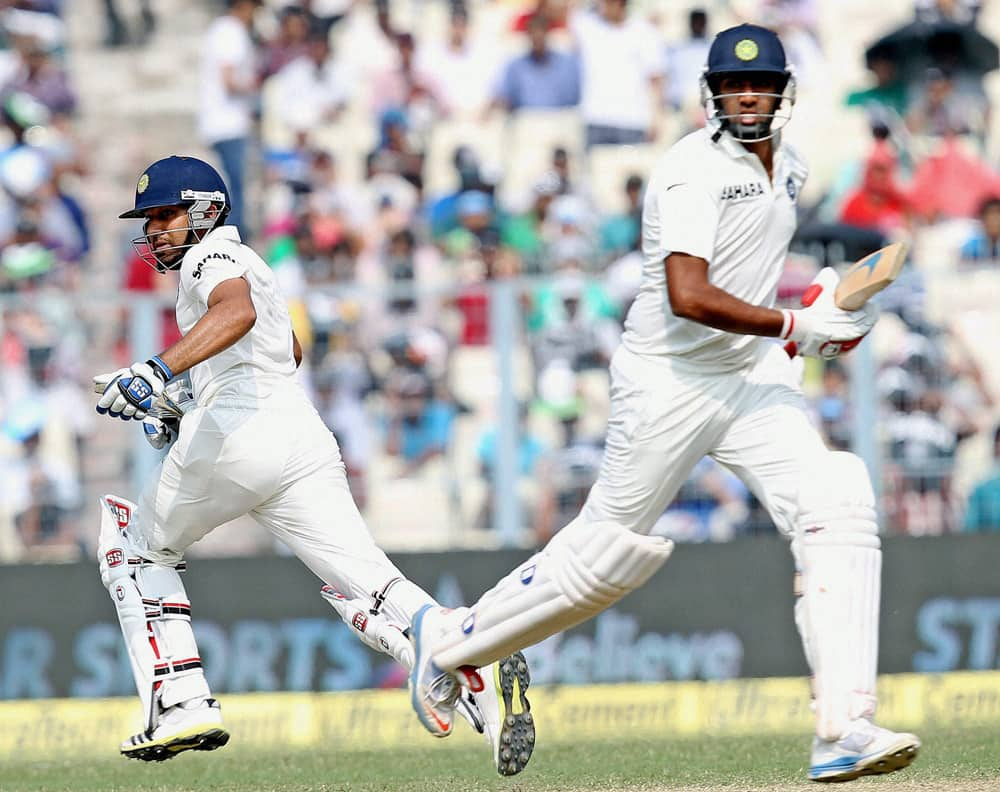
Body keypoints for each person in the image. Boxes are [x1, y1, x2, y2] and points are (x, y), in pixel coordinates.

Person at [406, 24, 921, 784]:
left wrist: (815, 315)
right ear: (711, 93)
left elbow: (757, 279)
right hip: (669, 380)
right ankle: (452, 640)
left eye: (762, 84)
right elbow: (687, 295)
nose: (747, 96)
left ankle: (844, 727)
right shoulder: (691, 169)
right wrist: (795, 323)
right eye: (732, 85)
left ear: (784, 91)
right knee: (610, 550)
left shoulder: (794, 166)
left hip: (750, 377)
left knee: (838, 497)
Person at [92, 156, 535, 776]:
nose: (156, 230)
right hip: (298, 434)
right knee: (368, 585)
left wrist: (157, 371)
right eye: (151, 220)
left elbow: (236, 315)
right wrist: (182, 398)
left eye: (165, 215)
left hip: (238, 434)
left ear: (207, 210)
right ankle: (468, 660)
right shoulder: (251, 262)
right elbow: (287, 350)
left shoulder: (207, 258)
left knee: (135, 549)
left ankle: (181, 703)